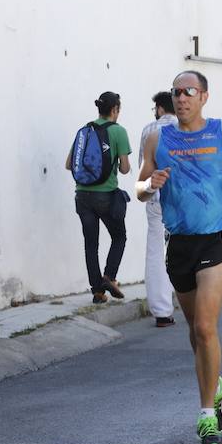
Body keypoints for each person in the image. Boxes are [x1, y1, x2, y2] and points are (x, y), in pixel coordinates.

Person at [137, 70, 222, 444]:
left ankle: (207, 415)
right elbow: (140, 186)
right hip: (179, 243)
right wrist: (149, 185)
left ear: (204, 96)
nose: (182, 98)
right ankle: (218, 384)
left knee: (207, 327)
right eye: (177, 92)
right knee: (196, 333)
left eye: (189, 92)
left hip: (217, 239)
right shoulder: (157, 138)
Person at [65, 91, 131, 304]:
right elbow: (124, 169)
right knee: (119, 236)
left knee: (90, 243)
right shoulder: (118, 132)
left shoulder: (84, 130)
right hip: (106, 196)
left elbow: (69, 164)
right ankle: (109, 277)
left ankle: (97, 291)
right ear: (115, 110)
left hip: (82, 196)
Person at [139, 91, 178, 327]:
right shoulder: (188, 127)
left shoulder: (149, 130)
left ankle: (162, 311)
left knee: (156, 252)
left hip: (155, 198)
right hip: (184, 201)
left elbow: (145, 169)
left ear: (160, 108)